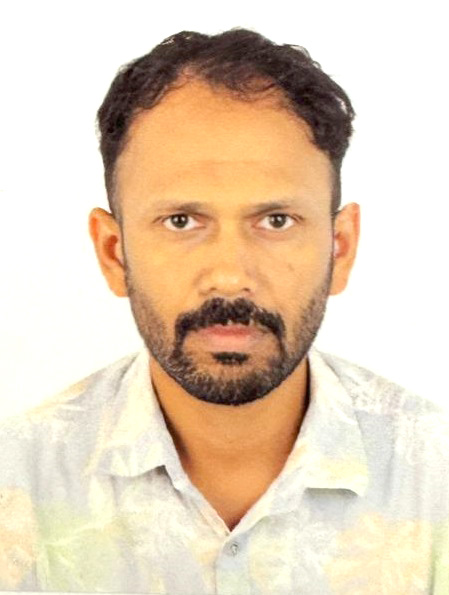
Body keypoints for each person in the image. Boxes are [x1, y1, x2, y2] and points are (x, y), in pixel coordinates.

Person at [0, 27, 447, 594]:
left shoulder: (436, 479)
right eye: (182, 221)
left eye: (276, 221)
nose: (231, 275)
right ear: (114, 253)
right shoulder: (15, 486)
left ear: (340, 248)